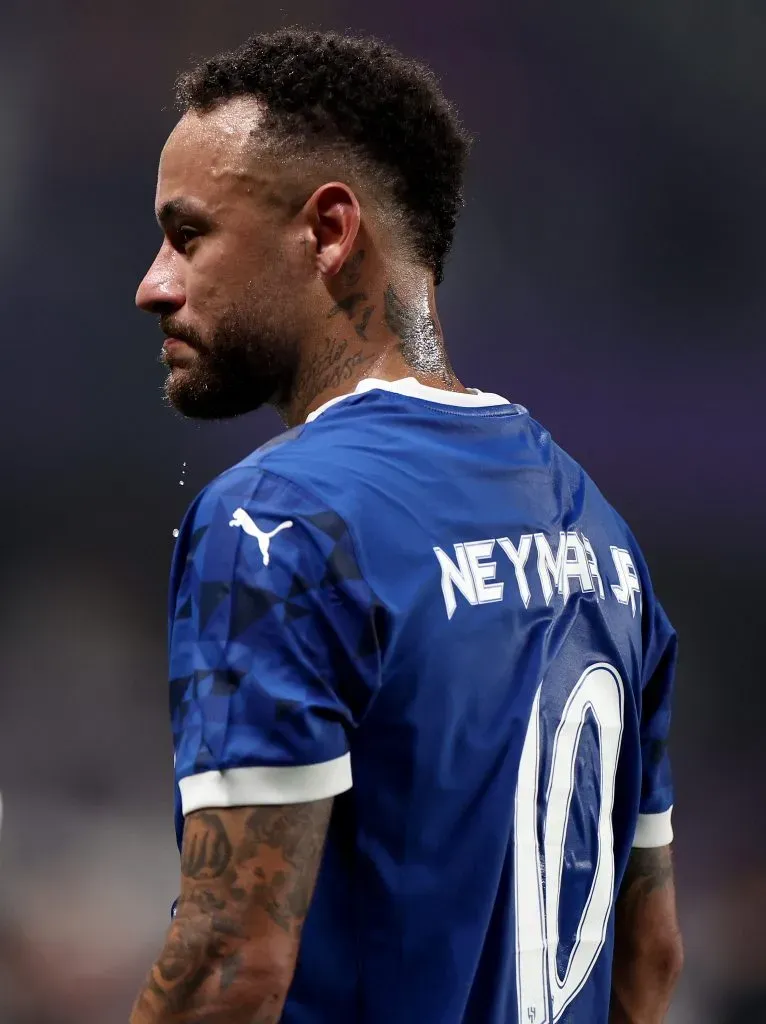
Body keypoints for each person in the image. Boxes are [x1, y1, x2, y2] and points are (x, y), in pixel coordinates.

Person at [131, 29, 683, 1024]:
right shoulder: (600, 533)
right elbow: (650, 957)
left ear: (328, 230)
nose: (154, 284)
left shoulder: (277, 523)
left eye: (189, 234)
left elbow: (229, 965)